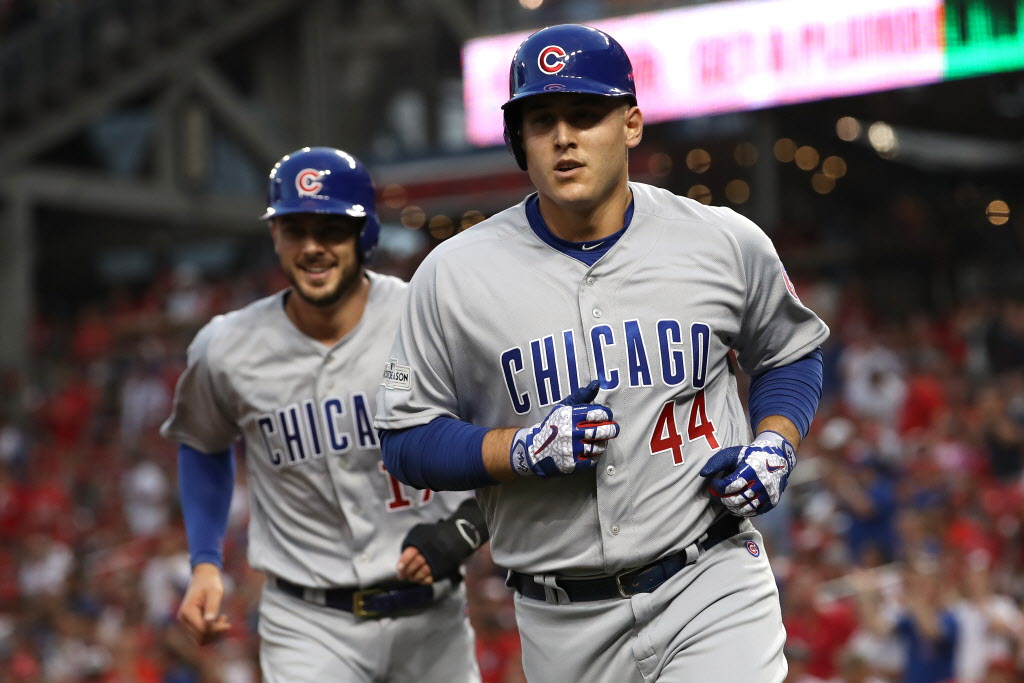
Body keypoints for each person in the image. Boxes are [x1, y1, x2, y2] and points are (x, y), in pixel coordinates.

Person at [375, 24, 828, 682]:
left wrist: (776, 441)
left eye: (586, 115)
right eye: (541, 120)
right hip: (560, 617)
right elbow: (405, 438)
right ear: (519, 142)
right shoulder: (452, 276)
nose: (564, 136)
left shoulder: (722, 241)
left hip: (710, 578)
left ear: (632, 123)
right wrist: (519, 449)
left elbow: (790, 351)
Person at [161, 147, 485, 682]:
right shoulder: (225, 346)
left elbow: (511, 438)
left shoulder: (426, 319)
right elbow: (202, 442)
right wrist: (204, 562)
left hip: (434, 620)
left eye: (331, 228)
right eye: (295, 229)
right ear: (275, 236)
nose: (312, 247)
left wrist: (467, 529)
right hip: (307, 625)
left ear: (365, 233)